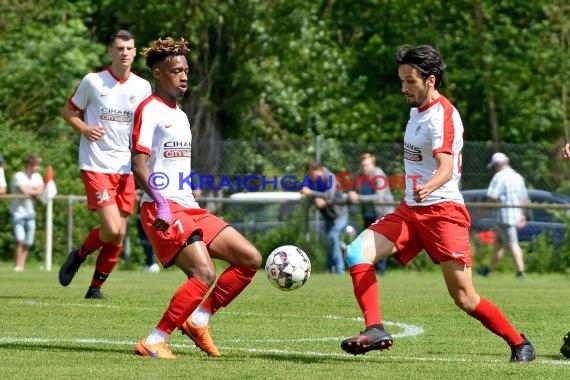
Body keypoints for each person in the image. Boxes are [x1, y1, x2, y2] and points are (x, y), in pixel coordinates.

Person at [340, 45, 535, 363]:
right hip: (409, 211)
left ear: (430, 80)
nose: (403, 88)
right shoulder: (417, 110)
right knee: (356, 252)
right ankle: (374, 328)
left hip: (444, 213)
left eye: (409, 81)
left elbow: (446, 167)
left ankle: (519, 343)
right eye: (401, 81)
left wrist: (428, 186)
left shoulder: (443, 115)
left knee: (465, 298)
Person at [131, 36, 261, 359]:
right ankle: (153, 340)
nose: (184, 76)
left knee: (249, 259)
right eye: (176, 71)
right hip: (161, 208)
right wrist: (161, 201)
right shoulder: (149, 110)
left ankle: (198, 319)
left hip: (189, 206)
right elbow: (138, 164)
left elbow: (171, 163)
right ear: (158, 74)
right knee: (203, 273)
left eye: (186, 70)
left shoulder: (181, 114)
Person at [58, 30, 152, 298]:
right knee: (111, 228)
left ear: (135, 52)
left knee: (119, 234)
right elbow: (68, 111)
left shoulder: (142, 87)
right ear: (110, 51)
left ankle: (95, 288)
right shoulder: (93, 81)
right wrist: (85, 128)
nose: (124, 53)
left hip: (125, 169)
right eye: (119, 48)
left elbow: (143, 128)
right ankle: (79, 255)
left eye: (129, 48)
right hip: (96, 164)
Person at [477, 152, 528, 278]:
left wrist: (481, 212)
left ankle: (520, 272)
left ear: (497, 165)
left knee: (513, 243)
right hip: (515, 215)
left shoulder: (499, 177)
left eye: (494, 166)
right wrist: (523, 215)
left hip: (503, 216)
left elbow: (492, 197)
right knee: (498, 244)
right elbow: (524, 198)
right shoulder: (518, 177)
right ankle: (489, 270)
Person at [347, 153, 395, 274]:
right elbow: (353, 190)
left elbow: (378, 197)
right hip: (369, 213)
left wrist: (357, 197)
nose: (364, 168)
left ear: (373, 165)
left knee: (380, 242)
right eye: (362, 165)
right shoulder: (359, 175)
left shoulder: (378, 175)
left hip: (383, 213)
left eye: (366, 165)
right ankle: (371, 268)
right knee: (369, 242)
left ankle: (380, 271)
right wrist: (351, 194)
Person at [301, 161, 348, 274]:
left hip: (339, 215)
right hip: (328, 216)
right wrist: (315, 198)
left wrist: (311, 193)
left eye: (311, 175)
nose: (310, 178)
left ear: (318, 170)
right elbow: (305, 191)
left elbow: (328, 196)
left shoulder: (331, 177)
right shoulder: (313, 180)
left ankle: (339, 270)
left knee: (332, 237)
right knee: (330, 242)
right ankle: (329, 268)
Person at [10, 154, 45, 272]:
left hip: (31, 212)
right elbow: (24, 190)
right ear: (30, 165)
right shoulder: (19, 176)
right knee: (19, 239)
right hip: (18, 212)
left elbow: (41, 189)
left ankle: (22, 266)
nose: (38, 168)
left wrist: (33, 191)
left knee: (28, 241)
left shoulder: (38, 177)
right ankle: (17, 265)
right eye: (36, 165)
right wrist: (35, 191)